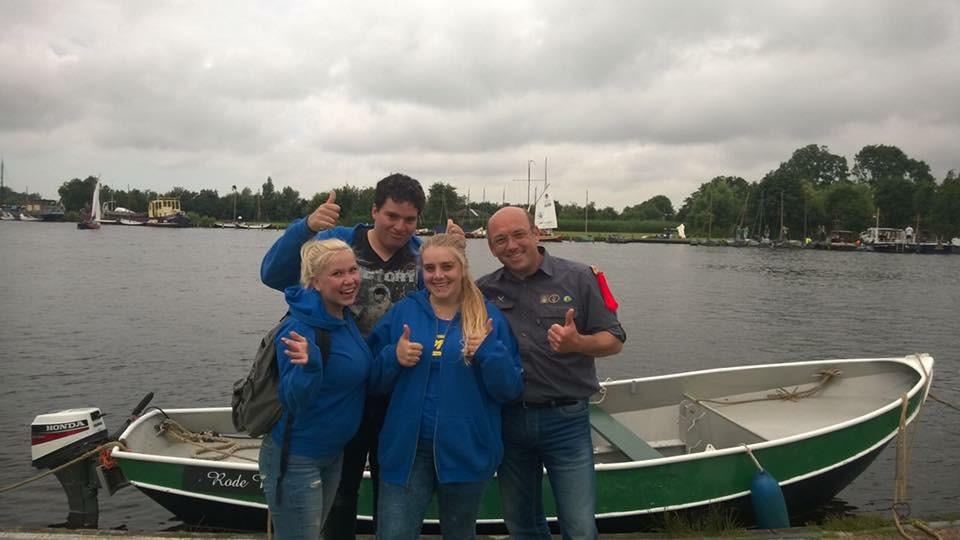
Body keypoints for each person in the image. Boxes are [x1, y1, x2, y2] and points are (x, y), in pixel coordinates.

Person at [260, 173, 463, 539]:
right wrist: (304, 227)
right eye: (391, 216)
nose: (400, 226)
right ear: (374, 211)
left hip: (397, 392)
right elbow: (274, 275)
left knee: (393, 485)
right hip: (344, 391)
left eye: (409, 219)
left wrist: (455, 252)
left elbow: (451, 301)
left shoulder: (421, 256)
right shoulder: (338, 244)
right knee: (341, 492)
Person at [477, 206, 626, 540]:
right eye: (500, 240)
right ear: (491, 247)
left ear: (536, 233)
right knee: (522, 524)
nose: (511, 245)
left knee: (579, 527)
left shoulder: (580, 278)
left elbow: (614, 341)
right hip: (509, 422)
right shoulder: (483, 291)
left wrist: (577, 343)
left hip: (566, 421)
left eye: (518, 235)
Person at [366, 234, 524, 540]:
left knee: (460, 533)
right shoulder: (403, 312)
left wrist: (490, 353)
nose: (438, 276)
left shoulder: (488, 317)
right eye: (430, 268)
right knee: (393, 533)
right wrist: (393, 358)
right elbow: (372, 381)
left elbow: (510, 390)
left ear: (462, 268)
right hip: (407, 451)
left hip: (466, 448)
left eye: (447, 266)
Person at [259, 238, 372, 539]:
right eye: (337, 274)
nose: (349, 280)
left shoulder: (342, 316)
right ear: (315, 282)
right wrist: (311, 367)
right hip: (297, 458)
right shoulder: (300, 330)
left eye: (352, 270)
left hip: (332, 454)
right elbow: (293, 399)